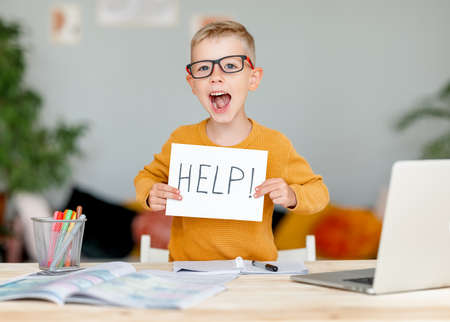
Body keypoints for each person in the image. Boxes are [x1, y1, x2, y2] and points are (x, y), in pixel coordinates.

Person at [134, 21, 329, 261]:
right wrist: (150, 194)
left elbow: (318, 192)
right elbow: (146, 177)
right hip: (187, 273)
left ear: (253, 78)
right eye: (204, 68)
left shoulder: (275, 144)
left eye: (229, 66)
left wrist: (291, 196)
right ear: (192, 83)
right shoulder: (181, 139)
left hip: (254, 274)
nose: (216, 77)